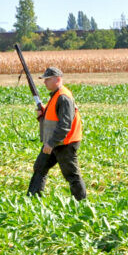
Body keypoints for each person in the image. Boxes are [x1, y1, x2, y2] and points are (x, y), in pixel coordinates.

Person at [27, 67, 86, 200]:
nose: (45, 82)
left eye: (47, 79)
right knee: (40, 168)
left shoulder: (63, 97)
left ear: (58, 79)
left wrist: (51, 143)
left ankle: (82, 203)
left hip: (65, 143)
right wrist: (42, 114)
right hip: (54, 141)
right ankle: (32, 199)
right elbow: (53, 118)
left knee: (71, 175)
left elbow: (65, 125)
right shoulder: (56, 95)